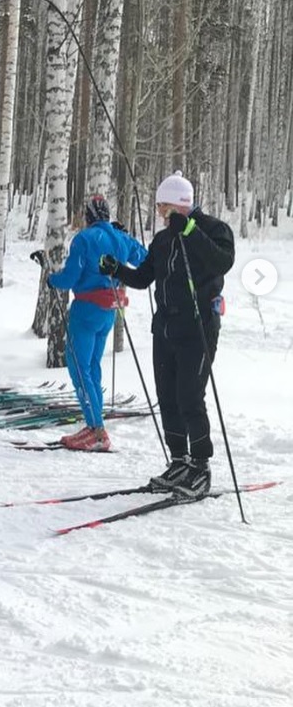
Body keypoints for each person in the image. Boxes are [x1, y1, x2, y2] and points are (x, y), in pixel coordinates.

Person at [100, 171, 235, 496]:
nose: (160, 214)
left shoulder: (213, 228)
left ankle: (201, 466)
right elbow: (145, 277)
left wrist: (190, 231)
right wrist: (117, 270)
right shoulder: (162, 239)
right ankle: (179, 461)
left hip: (198, 327)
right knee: (168, 398)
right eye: (159, 207)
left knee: (190, 395)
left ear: (180, 205)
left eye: (164, 207)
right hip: (165, 329)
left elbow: (222, 262)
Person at [36, 195, 147, 452]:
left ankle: (96, 430)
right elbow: (144, 258)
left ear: (88, 216)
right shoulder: (121, 238)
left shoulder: (84, 239)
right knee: (92, 367)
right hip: (109, 311)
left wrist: (52, 280)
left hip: (86, 309)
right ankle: (95, 425)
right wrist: (127, 236)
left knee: (78, 368)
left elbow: (71, 278)